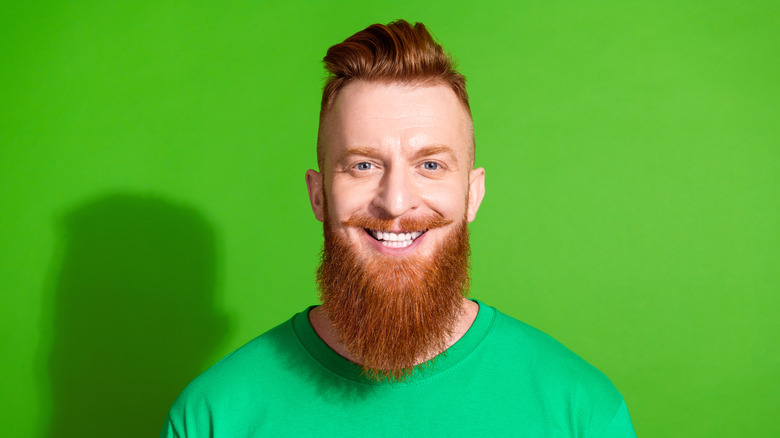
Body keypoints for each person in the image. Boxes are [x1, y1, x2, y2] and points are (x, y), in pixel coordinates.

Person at [161, 19, 637, 437]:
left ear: (473, 194)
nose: (396, 202)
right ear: (318, 195)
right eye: (363, 165)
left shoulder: (582, 413)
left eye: (430, 164)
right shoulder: (212, 417)